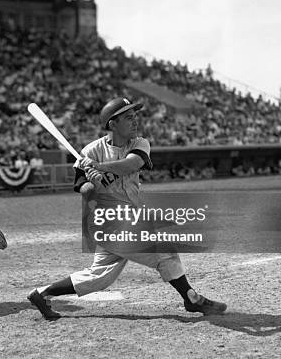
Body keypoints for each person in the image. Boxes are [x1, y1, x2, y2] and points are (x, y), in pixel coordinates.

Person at [27, 98, 227, 320]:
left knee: (99, 277)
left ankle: (42, 293)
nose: (135, 122)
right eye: (129, 118)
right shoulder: (90, 152)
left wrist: (99, 167)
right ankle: (192, 299)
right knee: (165, 252)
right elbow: (84, 191)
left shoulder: (139, 144)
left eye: (135, 116)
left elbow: (131, 164)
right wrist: (92, 183)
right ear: (113, 124)